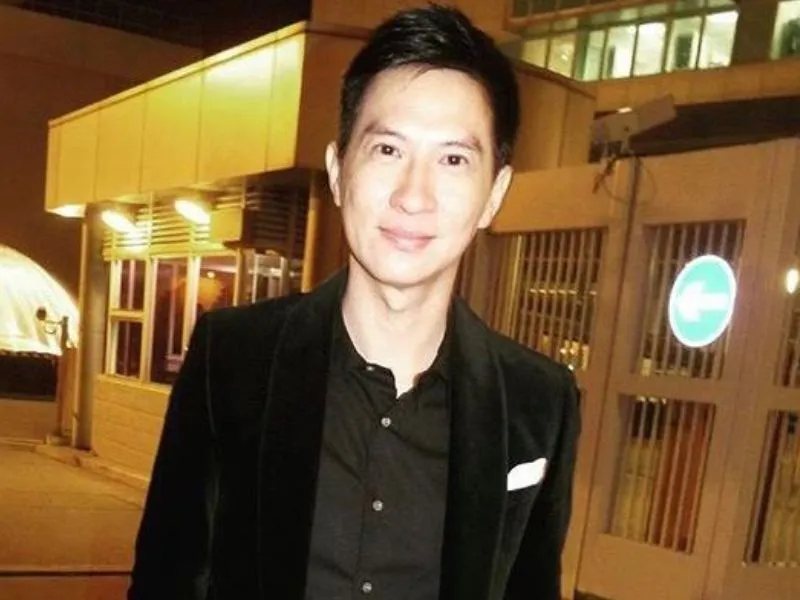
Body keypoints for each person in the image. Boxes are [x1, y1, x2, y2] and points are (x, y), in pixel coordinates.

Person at [128, 4, 581, 600]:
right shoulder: (233, 358)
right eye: (388, 150)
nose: (413, 196)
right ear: (339, 171)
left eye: (453, 159)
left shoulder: (539, 402)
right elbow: (165, 579)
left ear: (494, 195)